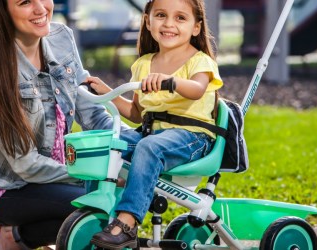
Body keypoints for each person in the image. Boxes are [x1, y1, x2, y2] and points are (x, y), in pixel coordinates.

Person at [0, 0, 119, 249]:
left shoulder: (62, 38)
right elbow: (26, 165)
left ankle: (18, 235)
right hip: (9, 188)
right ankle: (14, 238)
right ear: (2, 10)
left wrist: (128, 147)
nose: (41, 9)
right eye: (25, 2)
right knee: (100, 206)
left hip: (55, 176)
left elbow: (93, 115)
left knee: (113, 199)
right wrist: (93, 175)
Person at [85, 0, 224, 249]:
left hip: (192, 137)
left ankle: (127, 222)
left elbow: (197, 89)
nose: (169, 23)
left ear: (196, 27)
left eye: (180, 18)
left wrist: (171, 81)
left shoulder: (200, 61)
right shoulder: (143, 64)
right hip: (151, 135)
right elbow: (137, 113)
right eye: (161, 15)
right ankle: (95, 209)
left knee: (149, 147)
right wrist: (108, 92)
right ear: (148, 21)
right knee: (106, 144)